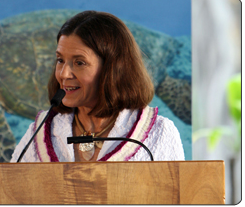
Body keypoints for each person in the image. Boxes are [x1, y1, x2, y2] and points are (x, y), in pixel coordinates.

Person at [11, 10, 184, 163]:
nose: (63, 74)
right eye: (60, 60)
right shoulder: (40, 132)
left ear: (112, 69)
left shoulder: (158, 133)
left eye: (79, 62)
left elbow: (174, 197)